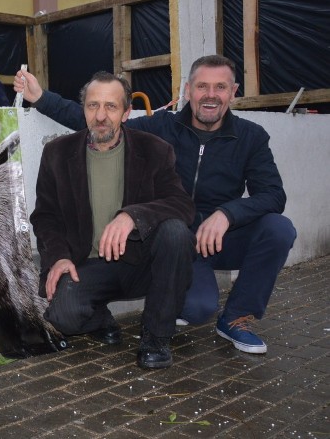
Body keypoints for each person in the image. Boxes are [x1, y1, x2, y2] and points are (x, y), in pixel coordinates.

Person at [15, 55, 296, 354]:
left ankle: (237, 317)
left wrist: (228, 213)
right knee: (197, 307)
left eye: (220, 87)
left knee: (279, 229)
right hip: (176, 238)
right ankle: (172, 304)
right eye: (202, 86)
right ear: (188, 90)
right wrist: (42, 98)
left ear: (233, 91)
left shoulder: (251, 137)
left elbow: (273, 195)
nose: (211, 95)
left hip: (222, 236)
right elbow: (104, 118)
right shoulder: (163, 127)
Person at [32, 71, 195, 369]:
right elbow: (46, 216)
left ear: (126, 111)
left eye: (111, 106)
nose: (101, 116)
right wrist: (58, 258)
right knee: (62, 317)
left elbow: (182, 205)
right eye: (93, 106)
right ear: (83, 109)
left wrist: (133, 216)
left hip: (141, 262)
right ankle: (99, 317)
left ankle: (156, 338)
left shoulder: (155, 149)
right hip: (88, 264)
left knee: (176, 232)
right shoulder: (57, 152)